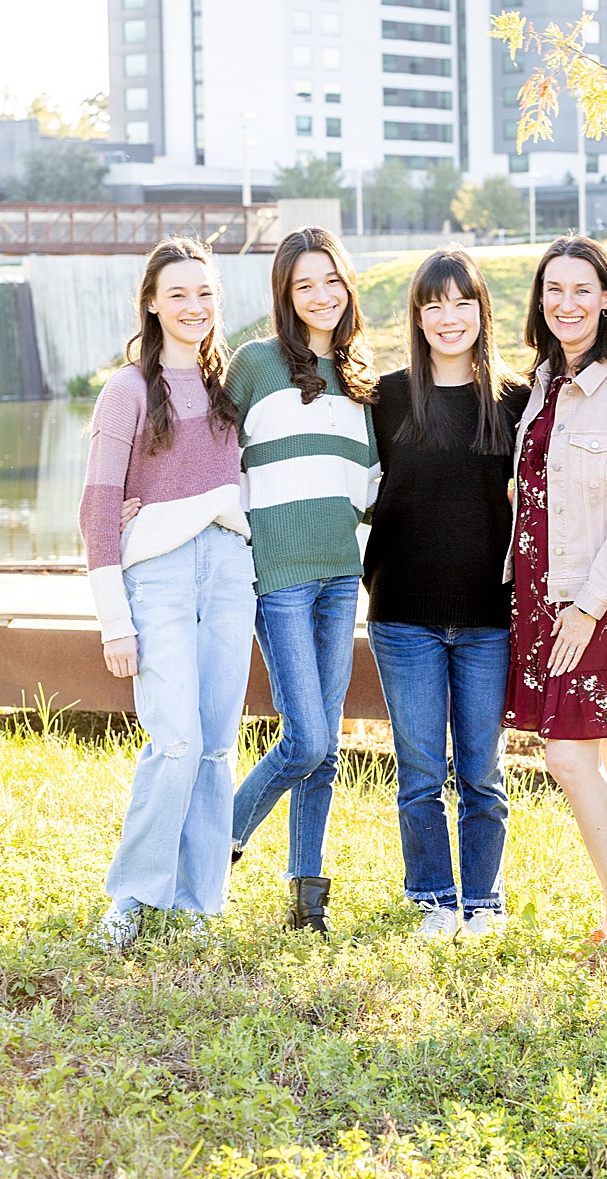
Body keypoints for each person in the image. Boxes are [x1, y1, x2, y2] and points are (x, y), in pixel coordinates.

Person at [80, 237, 253, 950]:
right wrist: (113, 621)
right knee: (175, 739)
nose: (194, 306)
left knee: (216, 745)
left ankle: (201, 899)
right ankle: (132, 894)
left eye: (204, 292)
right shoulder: (127, 390)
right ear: (151, 302)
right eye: (177, 293)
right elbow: (97, 507)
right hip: (158, 573)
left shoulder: (228, 388)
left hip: (230, 567)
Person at [504, 236, 607, 967]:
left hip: (596, 596)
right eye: (553, 290)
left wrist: (587, 607)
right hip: (542, 593)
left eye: (582, 290)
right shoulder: (541, 382)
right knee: (600, 755)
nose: (566, 304)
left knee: (569, 758)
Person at [365, 248, 528, 939]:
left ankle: (484, 902)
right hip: (404, 615)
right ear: (418, 316)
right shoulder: (387, 396)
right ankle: (433, 896)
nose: (448, 316)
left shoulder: (515, 401)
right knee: (422, 770)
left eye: (462, 301)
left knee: (484, 771)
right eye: (434, 304)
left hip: (489, 618)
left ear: (482, 311)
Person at [225, 228, 380, 933]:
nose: (321, 295)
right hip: (279, 576)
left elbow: (371, 489)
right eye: (304, 285)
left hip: (340, 576)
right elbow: (215, 459)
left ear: (347, 286)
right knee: (307, 737)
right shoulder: (255, 364)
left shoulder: (358, 380)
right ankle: (216, 839)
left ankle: (306, 902)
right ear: (286, 297)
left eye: (331, 280)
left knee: (328, 746)